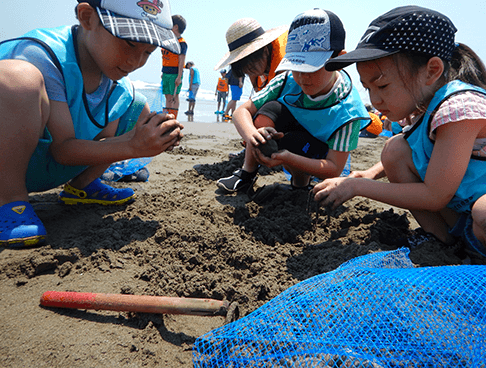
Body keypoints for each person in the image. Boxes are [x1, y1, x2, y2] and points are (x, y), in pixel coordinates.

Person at [313, 6, 486, 264]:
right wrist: (369, 173)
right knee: (395, 150)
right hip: (466, 221)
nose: (375, 100)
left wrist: (358, 186)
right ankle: (445, 245)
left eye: (382, 85)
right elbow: (416, 148)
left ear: (432, 70)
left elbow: (435, 196)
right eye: (368, 88)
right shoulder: (424, 107)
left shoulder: (460, 109)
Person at [0, 0, 184, 248]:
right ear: (87, 18)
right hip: (10, 162)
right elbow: (62, 149)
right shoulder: (42, 55)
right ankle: (9, 199)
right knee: (19, 81)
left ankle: (81, 187)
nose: (136, 61)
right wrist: (133, 146)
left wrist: (145, 137)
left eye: (148, 52)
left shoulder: (109, 70)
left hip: (44, 165)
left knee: (137, 107)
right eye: (129, 42)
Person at [217, 9, 370, 193]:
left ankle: (300, 185)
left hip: (320, 154)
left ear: (337, 60)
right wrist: (251, 136)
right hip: (291, 136)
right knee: (269, 109)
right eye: (296, 67)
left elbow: (333, 168)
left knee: (299, 146)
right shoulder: (287, 80)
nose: (302, 77)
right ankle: (246, 175)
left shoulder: (349, 111)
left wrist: (287, 158)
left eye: (311, 67)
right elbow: (242, 111)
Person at [214, 18, 288, 92]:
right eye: (246, 72)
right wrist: (255, 87)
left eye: (252, 69)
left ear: (265, 50)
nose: (251, 74)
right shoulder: (259, 63)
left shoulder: (285, 65)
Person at [161, 14, 187, 118]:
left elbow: (181, 60)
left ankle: (173, 117)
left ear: (175, 26)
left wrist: (179, 76)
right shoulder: (167, 41)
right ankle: (167, 117)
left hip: (174, 73)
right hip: (166, 72)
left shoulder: (182, 43)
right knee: (167, 96)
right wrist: (162, 72)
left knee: (174, 96)